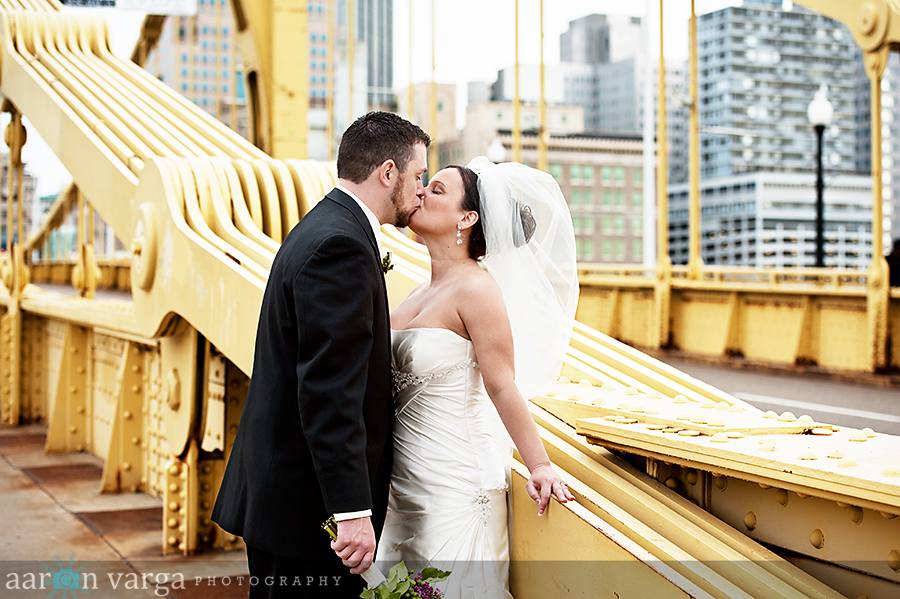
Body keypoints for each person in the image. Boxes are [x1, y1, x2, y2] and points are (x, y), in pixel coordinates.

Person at [211, 111, 430, 599]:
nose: (421, 190)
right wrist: (351, 513)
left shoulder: (326, 225)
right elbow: (330, 392)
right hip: (308, 515)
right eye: (418, 176)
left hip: (286, 500)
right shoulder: (341, 246)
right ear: (388, 172)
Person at [375, 157, 579, 597]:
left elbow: (502, 383)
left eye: (439, 189)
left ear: (466, 219)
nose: (423, 192)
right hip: (402, 479)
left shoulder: (478, 289)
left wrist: (539, 465)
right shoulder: (417, 292)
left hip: (455, 482)